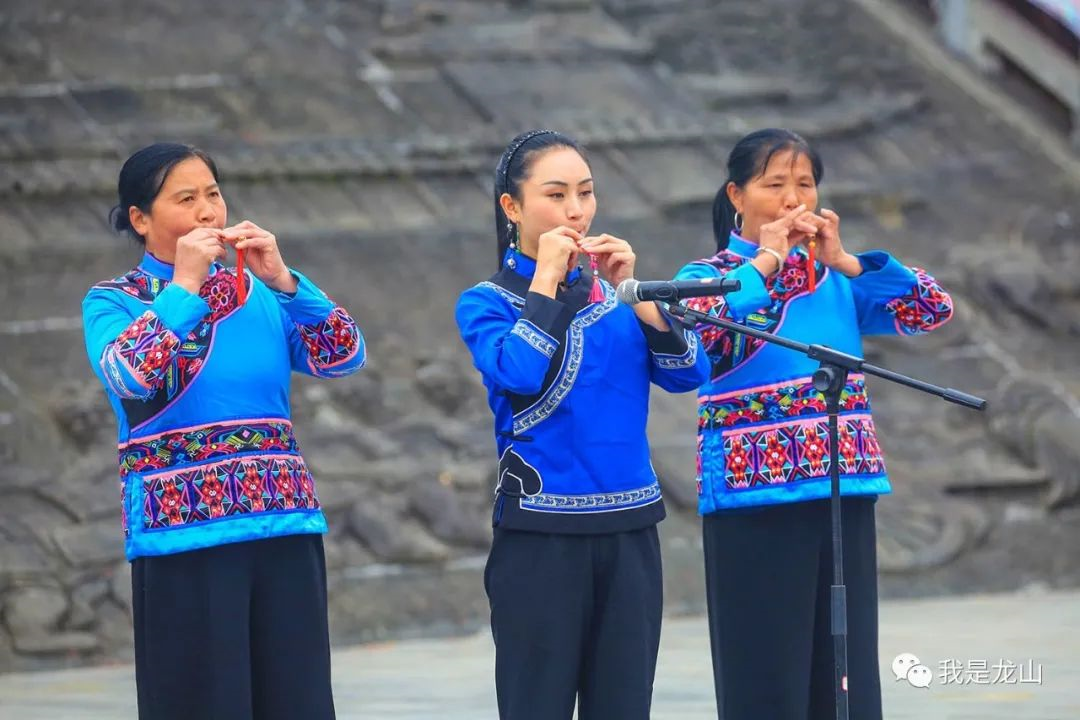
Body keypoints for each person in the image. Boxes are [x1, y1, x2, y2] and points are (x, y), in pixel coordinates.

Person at [674, 128, 954, 720]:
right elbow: (697, 335)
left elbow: (930, 309)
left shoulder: (836, 279)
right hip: (753, 497)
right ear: (737, 195)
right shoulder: (710, 274)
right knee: (766, 669)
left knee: (844, 668)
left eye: (805, 184)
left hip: (842, 486)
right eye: (775, 185)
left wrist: (846, 261)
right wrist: (769, 262)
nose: (793, 198)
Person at [81, 142, 366, 720]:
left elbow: (344, 355)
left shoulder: (262, 291)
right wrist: (184, 288)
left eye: (213, 194)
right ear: (141, 220)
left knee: (299, 702)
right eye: (186, 199)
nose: (209, 211)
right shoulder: (113, 301)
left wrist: (286, 281)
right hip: (185, 537)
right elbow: (128, 374)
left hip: (284, 524)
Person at [455, 129, 710, 720]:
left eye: (585, 193)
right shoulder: (486, 301)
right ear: (512, 207)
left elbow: (686, 372)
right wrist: (546, 280)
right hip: (541, 536)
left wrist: (638, 295)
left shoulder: (617, 294)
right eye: (556, 195)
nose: (576, 210)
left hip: (631, 529)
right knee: (535, 704)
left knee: (624, 705)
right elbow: (516, 371)